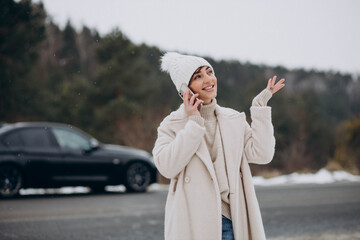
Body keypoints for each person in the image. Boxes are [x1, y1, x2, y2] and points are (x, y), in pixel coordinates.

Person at [152, 52, 285, 240]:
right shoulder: (171, 124)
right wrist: (194, 124)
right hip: (194, 223)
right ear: (185, 89)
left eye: (209, 72)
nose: (208, 79)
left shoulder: (234, 120)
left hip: (233, 220)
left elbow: (262, 154)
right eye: (198, 76)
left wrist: (260, 107)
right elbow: (167, 167)